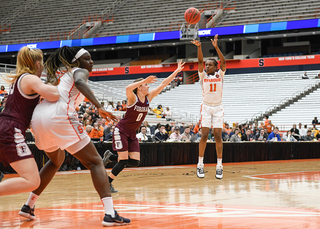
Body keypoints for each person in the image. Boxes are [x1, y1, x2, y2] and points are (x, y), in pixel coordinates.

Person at [18, 46, 130, 226]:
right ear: (77, 62)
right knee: (95, 162)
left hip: (38, 120)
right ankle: (110, 214)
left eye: (92, 58)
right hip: (59, 117)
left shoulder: (59, 76)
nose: (91, 62)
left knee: (56, 161)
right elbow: (79, 83)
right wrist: (100, 107)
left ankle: (28, 205)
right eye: (87, 58)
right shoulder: (79, 71)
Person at [103, 60, 185, 192]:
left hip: (132, 133)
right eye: (145, 85)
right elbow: (128, 88)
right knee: (123, 161)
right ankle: (108, 182)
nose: (148, 86)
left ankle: (111, 157)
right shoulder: (133, 98)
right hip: (121, 130)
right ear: (139, 87)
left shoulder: (149, 97)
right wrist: (143, 80)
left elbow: (164, 84)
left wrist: (176, 71)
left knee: (135, 161)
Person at [0, 47, 60, 197]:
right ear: (38, 63)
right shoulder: (30, 78)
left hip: (5, 125)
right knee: (32, 181)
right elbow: (54, 95)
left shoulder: (19, 79)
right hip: (11, 129)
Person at [191, 34, 226, 179]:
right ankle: (200, 164)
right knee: (204, 134)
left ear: (215, 66)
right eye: (206, 65)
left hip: (218, 107)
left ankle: (219, 166)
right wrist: (199, 48)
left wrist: (216, 47)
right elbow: (199, 60)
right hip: (205, 107)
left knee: (218, 135)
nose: (207, 66)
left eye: (210, 65)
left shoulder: (220, 75)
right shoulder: (203, 76)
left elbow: (223, 61)